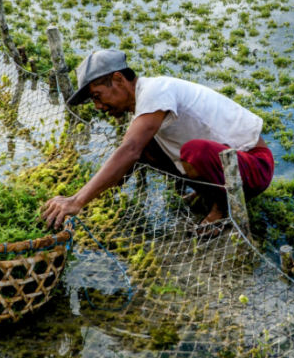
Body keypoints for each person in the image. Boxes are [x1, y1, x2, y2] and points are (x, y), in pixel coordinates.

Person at [40, 50, 274, 233]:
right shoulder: (141, 109)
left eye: (97, 96)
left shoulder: (155, 91)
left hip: (254, 164)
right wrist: (97, 197)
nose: (98, 107)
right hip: (229, 164)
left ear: (119, 79)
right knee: (145, 147)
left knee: (192, 151)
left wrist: (77, 200)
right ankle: (209, 192)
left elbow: (129, 149)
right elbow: (131, 156)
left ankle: (222, 208)